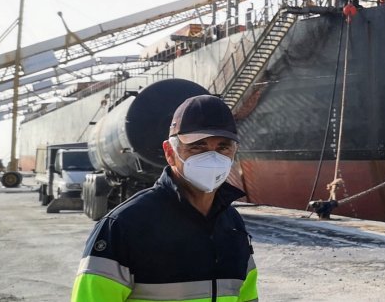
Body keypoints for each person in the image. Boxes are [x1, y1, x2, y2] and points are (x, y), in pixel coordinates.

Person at [71, 95, 258, 302]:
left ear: (234, 151)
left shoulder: (232, 224)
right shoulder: (123, 227)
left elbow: (247, 295)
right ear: (170, 153)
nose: (213, 158)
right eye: (198, 146)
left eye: (223, 147)